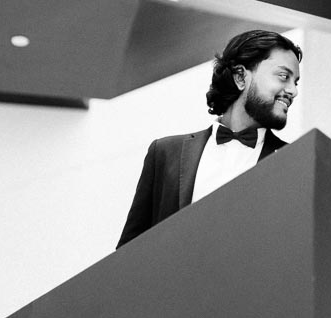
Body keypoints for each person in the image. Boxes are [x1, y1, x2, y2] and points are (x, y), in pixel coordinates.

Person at [116, 29, 302, 247]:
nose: (293, 91)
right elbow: (128, 251)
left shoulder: (295, 163)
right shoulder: (165, 153)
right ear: (240, 77)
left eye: (295, 82)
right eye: (283, 76)